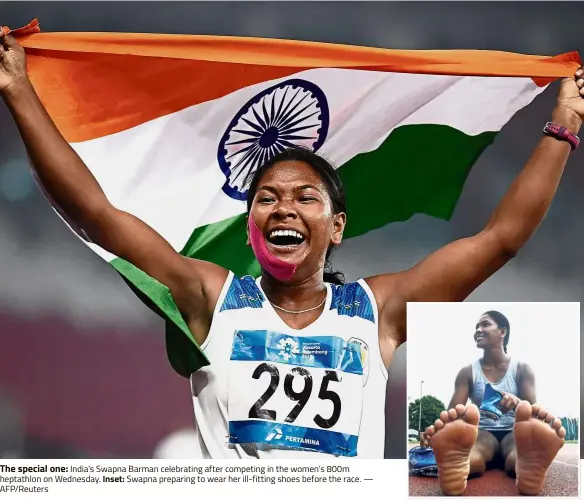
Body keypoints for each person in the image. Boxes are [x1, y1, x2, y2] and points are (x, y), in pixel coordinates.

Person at [1, 32, 583, 459]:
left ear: (337, 226)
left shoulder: (377, 312)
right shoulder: (212, 296)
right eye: (266, 198)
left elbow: (499, 239)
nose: (283, 207)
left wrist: (563, 125)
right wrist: (19, 90)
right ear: (251, 220)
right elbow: (97, 214)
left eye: (306, 197)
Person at [421, 311, 566, 495]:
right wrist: (437, 431)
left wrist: (517, 402)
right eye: (476, 327)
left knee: (516, 454)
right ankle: (457, 463)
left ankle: (528, 463)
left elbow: (532, 413)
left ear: (502, 332)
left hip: (514, 432)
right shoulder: (468, 372)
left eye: (485, 324)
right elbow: (453, 414)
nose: (478, 330)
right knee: (474, 452)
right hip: (483, 432)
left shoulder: (521, 369)